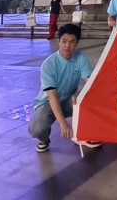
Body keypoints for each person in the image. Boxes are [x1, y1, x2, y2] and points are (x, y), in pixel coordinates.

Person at [28, 24, 92, 153]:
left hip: (69, 99)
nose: (67, 46)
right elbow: (52, 95)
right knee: (37, 128)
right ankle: (43, 139)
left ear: (77, 43)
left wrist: (81, 94)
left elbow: (91, 83)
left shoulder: (81, 58)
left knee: (90, 100)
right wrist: (63, 124)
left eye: (72, 42)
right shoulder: (49, 64)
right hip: (47, 103)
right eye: (64, 41)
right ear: (58, 41)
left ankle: (82, 134)